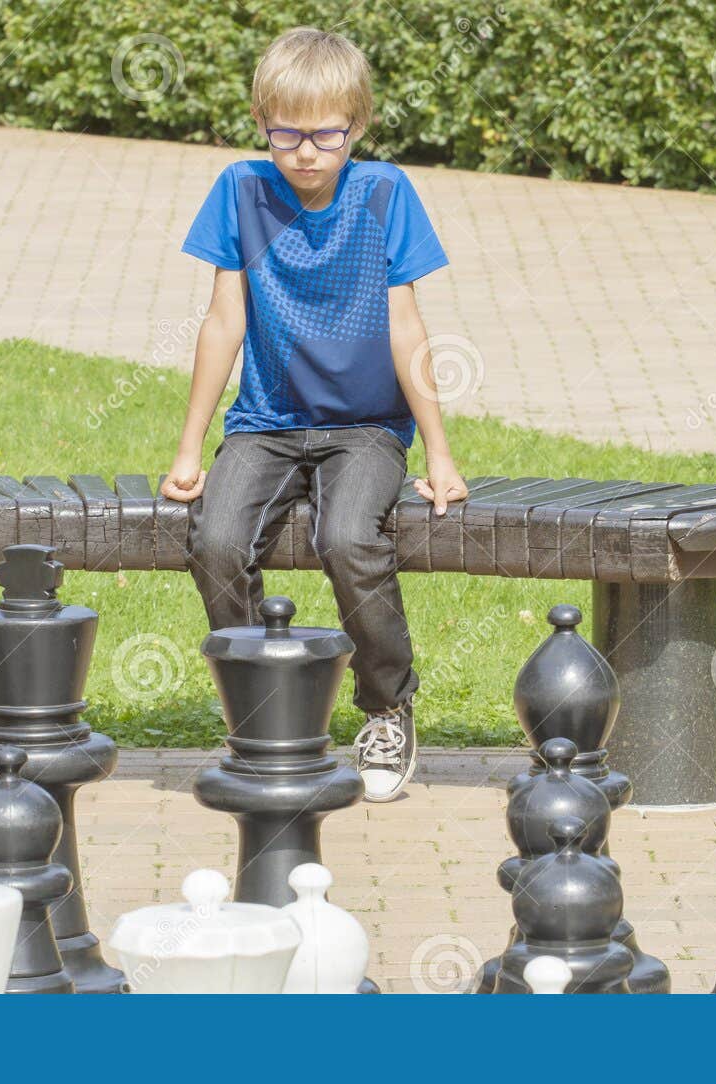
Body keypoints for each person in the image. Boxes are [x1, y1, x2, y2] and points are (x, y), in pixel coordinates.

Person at [161, 26, 469, 801]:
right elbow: (223, 321)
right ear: (261, 120)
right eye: (286, 132)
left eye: (325, 134)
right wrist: (190, 448)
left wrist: (438, 450)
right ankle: (264, 712)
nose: (304, 152)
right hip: (266, 423)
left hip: (367, 427)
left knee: (346, 537)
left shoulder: (385, 193)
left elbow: (408, 328)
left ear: (356, 128)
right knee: (218, 540)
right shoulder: (239, 189)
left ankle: (386, 707)